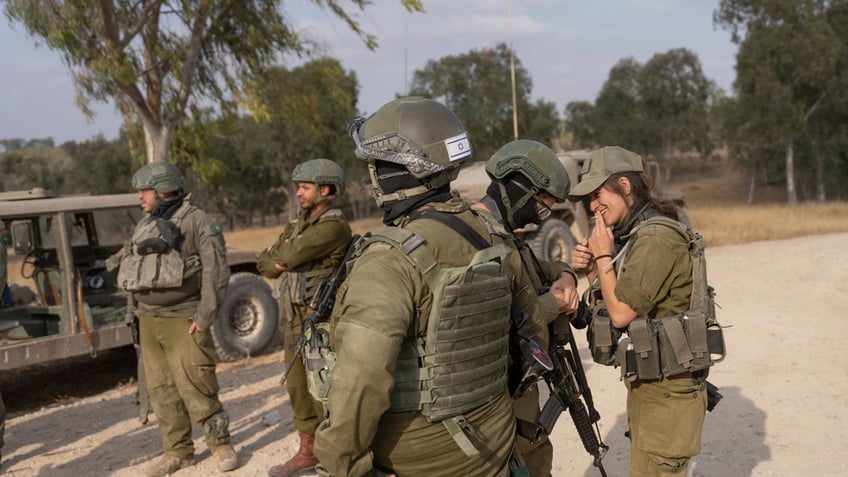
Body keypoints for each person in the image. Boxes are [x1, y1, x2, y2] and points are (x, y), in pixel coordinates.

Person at [312, 97, 569, 476]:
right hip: (494, 448)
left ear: (397, 170)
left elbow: (360, 383)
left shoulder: (388, 260)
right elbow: (532, 332)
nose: (372, 177)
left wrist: (339, 465)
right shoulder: (493, 236)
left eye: (374, 166)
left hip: (422, 462)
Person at [568, 146, 707, 477]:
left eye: (598, 193)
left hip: (668, 394)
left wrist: (603, 257)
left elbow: (620, 315)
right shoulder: (635, 236)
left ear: (625, 186)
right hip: (653, 387)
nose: (592, 205)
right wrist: (592, 268)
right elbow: (612, 302)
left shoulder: (656, 237)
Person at [116, 161, 238, 477]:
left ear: (163, 190)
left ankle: (220, 444)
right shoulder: (144, 225)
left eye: (144, 191)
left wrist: (205, 316)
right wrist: (134, 316)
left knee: (197, 383)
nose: (140, 197)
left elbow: (216, 271)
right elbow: (135, 272)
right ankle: (178, 451)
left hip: (185, 319)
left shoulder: (198, 222)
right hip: (148, 320)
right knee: (162, 390)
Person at [472, 139, 580, 477]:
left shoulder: (504, 235)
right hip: (495, 393)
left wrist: (566, 274)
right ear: (518, 188)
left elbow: (535, 267)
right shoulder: (477, 237)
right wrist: (554, 303)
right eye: (542, 204)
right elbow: (499, 317)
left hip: (520, 387)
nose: (541, 214)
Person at [257, 159, 352, 477]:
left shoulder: (332, 226)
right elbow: (266, 262)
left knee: (324, 389)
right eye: (298, 186)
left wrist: (279, 257)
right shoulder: (299, 224)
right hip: (293, 317)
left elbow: (284, 257)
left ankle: (335, 453)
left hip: (320, 321)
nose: (298, 192)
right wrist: (276, 257)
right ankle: (308, 451)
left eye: (305, 187)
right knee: (297, 387)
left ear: (324, 190)